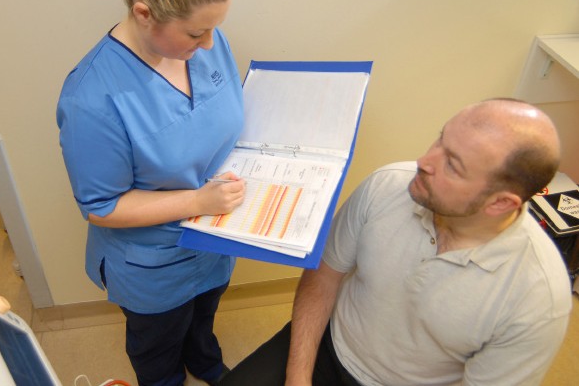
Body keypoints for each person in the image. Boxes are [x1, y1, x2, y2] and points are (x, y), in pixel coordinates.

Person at [219, 98, 572, 386]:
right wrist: (298, 378)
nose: (423, 162)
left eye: (452, 165)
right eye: (440, 139)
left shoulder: (538, 298)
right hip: (327, 344)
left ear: (500, 203)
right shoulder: (387, 185)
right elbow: (324, 276)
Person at [56, 0, 245, 385]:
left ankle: (205, 361)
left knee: (203, 320)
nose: (209, 45)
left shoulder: (208, 41)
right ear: (144, 14)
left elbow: (224, 116)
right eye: (196, 32)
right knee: (159, 348)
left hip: (215, 241)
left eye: (214, 29)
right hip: (153, 267)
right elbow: (102, 207)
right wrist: (197, 203)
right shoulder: (92, 99)